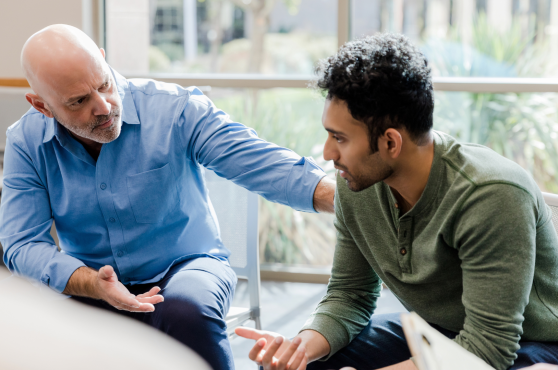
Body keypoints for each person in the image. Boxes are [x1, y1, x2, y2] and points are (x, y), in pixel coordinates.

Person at [0, 24, 335, 370]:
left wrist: (346, 198)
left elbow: (258, 162)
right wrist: (90, 283)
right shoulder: (26, 142)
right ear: (42, 105)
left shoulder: (175, 109)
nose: (103, 107)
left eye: (104, 84)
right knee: (40, 337)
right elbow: (22, 244)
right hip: (93, 278)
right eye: (79, 102)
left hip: (187, 264)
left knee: (185, 311)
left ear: (103, 60)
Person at [237, 33, 558, 370]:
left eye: (340, 138)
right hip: (438, 332)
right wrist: (298, 349)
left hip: (530, 346)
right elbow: (350, 295)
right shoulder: (357, 185)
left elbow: (488, 349)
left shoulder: (491, 195)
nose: (328, 153)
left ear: (391, 142)